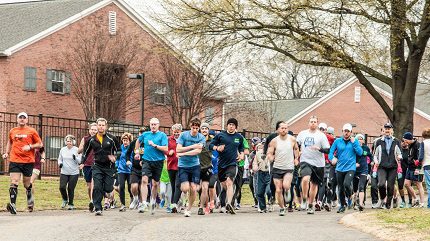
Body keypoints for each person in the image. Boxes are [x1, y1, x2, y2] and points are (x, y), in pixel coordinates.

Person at [2, 112, 43, 214]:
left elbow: (40, 144)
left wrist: (30, 147)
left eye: (24, 118)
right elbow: (10, 142)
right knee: (14, 181)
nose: (22, 119)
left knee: (27, 184)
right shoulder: (12, 131)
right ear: (17, 119)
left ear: (27, 120)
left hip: (28, 161)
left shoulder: (31, 131)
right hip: (15, 160)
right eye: (20, 117)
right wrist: (7, 152)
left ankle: (30, 201)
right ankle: (13, 205)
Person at [82, 118, 120, 216]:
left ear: (106, 127)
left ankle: (107, 195)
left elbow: (119, 150)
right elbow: (85, 153)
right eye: (99, 125)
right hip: (97, 166)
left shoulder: (112, 138)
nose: (101, 127)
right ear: (97, 126)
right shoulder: (91, 140)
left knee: (108, 188)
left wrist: (115, 157)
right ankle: (98, 207)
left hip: (109, 167)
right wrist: (82, 162)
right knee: (97, 186)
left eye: (103, 125)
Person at [209, 118, 245, 214]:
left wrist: (241, 155)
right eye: (230, 124)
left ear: (236, 127)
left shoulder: (239, 137)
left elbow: (242, 148)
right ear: (227, 125)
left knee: (229, 182)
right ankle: (224, 202)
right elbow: (210, 145)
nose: (231, 126)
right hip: (221, 165)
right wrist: (217, 148)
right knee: (224, 185)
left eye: (233, 125)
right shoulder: (221, 135)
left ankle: (229, 203)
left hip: (233, 163)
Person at [296, 116, 330, 214]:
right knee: (306, 179)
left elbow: (327, 150)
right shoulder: (302, 134)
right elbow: (296, 145)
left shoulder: (321, 135)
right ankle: (305, 199)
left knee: (314, 185)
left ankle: (311, 205)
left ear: (317, 124)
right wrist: (297, 153)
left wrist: (319, 148)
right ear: (308, 123)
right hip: (305, 160)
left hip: (318, 163)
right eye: (311, 121)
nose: (313, 123)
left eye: (315, 122)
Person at [134, 118, 168, 214]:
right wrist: (137, 152)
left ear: (158, 125)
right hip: (146, 160)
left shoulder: (162, 135)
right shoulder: (145, 134)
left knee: (155, 184)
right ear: (149, 125)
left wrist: (155, 145)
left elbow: (165, 148)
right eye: (151, 124)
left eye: (155, 124)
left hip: (158, 161)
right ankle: (144, 203)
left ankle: (153, 201)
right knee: (144, 180)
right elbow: (137, 141)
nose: (153, 126)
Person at [329, 123, 363, 213]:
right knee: (340, 188)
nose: (346, 133)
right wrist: (332, 159)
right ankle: (342, 206)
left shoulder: (354, 141)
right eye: (345, 131)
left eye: (348, 131)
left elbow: (360, 152)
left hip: (350, 167)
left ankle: (350, 195)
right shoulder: (337, 141)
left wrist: (354, 143)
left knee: (347, 184)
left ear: (351, 132)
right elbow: (331, 152)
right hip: (340, 168)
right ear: (342, 131)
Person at [266, 121, 299, 216]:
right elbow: (269, 152)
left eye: (286, 128)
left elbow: (296, 149)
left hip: (288, 167)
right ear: (278, 130)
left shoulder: (292, 139)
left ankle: (287, 191)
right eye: (282, 128)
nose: (284, 130)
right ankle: (281, 208)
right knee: (278, 189)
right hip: (277, 167)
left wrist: (296, 158)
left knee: (286, 185)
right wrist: (271, 157)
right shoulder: (274, 141)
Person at [176, 118, 205, 217]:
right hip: (183, 166)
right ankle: (182, 197)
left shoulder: (201, 137)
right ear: (190, 127)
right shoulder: (183, 135)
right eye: (193, 128)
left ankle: (188, 209)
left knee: (193, 188)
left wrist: (184, 154)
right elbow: (178, 149)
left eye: (197, 128)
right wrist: (193, 146)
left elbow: (198, 151)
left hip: (195, 165)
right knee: (185, 188)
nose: (195, 130)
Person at [373, 123, 402, 209]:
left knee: (390, 186)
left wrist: (399, 157)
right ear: (384, 130)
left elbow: (400, 153)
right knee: (381, 184)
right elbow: (375, 154)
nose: (387, 130)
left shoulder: (396, 141)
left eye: (389, 128)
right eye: (386, 128)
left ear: (392, 130)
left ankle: (388, 204)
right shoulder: (378, 141)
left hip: (393, 166)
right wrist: (376, 161)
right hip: (382, 166)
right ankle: (383, 199)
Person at [78, 122, 97, 212]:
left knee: (94, 184)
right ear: (89, 130)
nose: (93, 131)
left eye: (95, 130)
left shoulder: (100, 139)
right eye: (92, 129)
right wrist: (85, 145)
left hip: (96, 164)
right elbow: (79, 150)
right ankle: (91, 200)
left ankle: (93, 201)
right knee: (89, 187)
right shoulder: (85, 139)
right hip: (86, 164)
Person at [58, 134, 81, 210]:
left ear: (73, 142)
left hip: (74, 172)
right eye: (67, 141)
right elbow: (60, 159)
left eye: (70, 141)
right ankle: (65, 199)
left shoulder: (77, 149)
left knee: (70, 188)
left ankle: (71, 204)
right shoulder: (63, 149)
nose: (69, 143)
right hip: (64, 172)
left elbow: (80, 160)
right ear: (65, 142)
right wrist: (60, 163)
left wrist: (75, 158)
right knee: (62, 187)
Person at [402, 132, 425, 207]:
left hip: (416, 168)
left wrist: (418, 168)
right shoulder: (410, 145)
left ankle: (422, 203)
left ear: (409, 139)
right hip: (410, 167)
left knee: (418, 184)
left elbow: (420, 158)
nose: (405, 142)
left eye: (405, 140)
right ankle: (416, 199)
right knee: (406, 184)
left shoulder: (417, 145)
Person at [199, 122, 215, 215]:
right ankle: (204, 203)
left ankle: (204, 206)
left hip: (208, 166)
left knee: (206, 187)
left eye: (206, 128)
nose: (204, 130)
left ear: (208, 130)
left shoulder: (212, 140)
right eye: (203, 128)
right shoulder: (196, 139)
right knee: (197, 188)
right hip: (197, 166)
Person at [353, 134, 372, 211]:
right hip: (354, 170)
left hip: (364, 169)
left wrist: (370, 162)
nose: (360, 140)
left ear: (363, 140)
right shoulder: (353, 147)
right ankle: (355, 202)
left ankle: (361, 203)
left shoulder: (366, 148)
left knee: (361, 187)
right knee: (354, 189)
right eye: (358, 139)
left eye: (361, 139)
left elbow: (370, 156)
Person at [127, 127, 145, 210]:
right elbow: (127, 153)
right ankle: (135, 199)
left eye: (143, 133)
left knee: (142, 186)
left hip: (145, 167)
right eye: (140, 133)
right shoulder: (134, 143)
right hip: (135, 168)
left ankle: (141, 203)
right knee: (134, 186)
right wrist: (128, 160)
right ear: (139, 134)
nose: (142, 134)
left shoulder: (147, 143)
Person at [166, 124, 182, 213]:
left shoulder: (183, 139)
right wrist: (169, 152)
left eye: (178, 132)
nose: (176, 134)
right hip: (171, 165)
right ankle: (175, 204)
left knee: (177, 185)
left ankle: (174, 203)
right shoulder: (168, 139)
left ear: (180, 132)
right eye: (175, 132)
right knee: (173, 186)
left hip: (180, 166)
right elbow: (164, 150)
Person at [116, 132, 133, 212]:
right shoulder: (120, 148)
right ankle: (123, 204)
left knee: (130, 188)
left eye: (126, 140)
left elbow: (134, 158)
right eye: (123, 140)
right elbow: (118, 158)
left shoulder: (132, 148)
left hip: (130, 171)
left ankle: (132, 198)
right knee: (121, 187)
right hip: (121, 170)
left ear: (130, 140)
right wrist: (116, 166)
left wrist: (130, 163)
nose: (125, 142)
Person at [252, 143, 271, 213]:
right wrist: (255, 167)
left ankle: (270, 200)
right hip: (261, 173)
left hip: (269, 173)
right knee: (259, 192)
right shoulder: (258, 154)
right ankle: (263, 208)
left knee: (269, 190)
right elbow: (255, 162)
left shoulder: (272, 152)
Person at [30, 146, 45, 211]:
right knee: (27, 184)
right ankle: (29, 199)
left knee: (31, 182)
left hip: (36, 166)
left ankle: (31, 201)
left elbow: (42, 152)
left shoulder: (38, 142)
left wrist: (43, 158)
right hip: (26, 166)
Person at [418, 128, 430, 208]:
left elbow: (421, 156)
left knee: (429, 185)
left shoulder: (423, 143)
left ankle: (429, 204)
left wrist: (418, 162)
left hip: (427, 165)